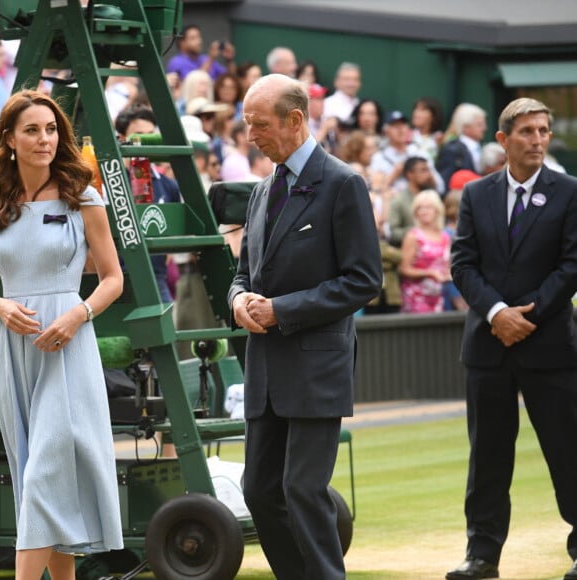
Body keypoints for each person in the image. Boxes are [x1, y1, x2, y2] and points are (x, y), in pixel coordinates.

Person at [228, 74, 382, 579]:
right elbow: (243, 274)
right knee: (257, 491)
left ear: (295, 120)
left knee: (302, 489)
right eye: (247, 124)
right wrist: (238, 300)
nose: (251, 134)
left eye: (259, 124)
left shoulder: (343, 183)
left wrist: (282, 310)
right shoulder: (261, 190)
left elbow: (364, 281)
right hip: (266, 370)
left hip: (317, 367)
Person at [447, 97, 577, 580]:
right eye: (527, 131)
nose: (538, 139)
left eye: (543, 130)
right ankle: (482, 557)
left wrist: (527, 316)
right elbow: (462, 264)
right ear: (502, 140)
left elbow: (572, 265)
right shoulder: (476, 195)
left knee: (569, 451)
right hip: (488, 346)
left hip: (550, 348)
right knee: (487, 459)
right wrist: (498, 314)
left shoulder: (569, 192)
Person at [0, 89, 124, 579]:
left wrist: (78, 314)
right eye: (31, 130)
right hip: (14, 350)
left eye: (51, 129)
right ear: (9, 139)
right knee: (44, 476)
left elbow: (113, 278)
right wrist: (2, 305)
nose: (44, 139)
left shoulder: (82, 194)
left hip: (69, 348)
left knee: (42, 476)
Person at [114, 105, 181, 303]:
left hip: (156, 278)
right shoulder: (109, 182)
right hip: (117, 281)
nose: (144, 142)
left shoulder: (168, 185)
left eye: (150, 135)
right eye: (138, 135)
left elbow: (171, 237)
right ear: (121, 138)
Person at [399, 190, 450, 313]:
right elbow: (404, 269)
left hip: (440, 297)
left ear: (437, 210)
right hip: (416, 297)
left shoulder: (445, 236)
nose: (424, 211)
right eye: (420, 208)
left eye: (428, 207)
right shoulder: (413, 236)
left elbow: (447, 265)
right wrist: (429, 273)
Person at [436, 103, 487, 190]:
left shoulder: (480, 148)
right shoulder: (452, 150)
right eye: (479, 125)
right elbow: (445, 183)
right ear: (466, 127)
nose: (485, 128)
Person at [166, 24, 235, 81]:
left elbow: (230, 79)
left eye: (199, 37)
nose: (199, 41)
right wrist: (211, 58)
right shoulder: (177, 62)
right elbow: (195, 83)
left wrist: (229, 60)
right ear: (182, 43)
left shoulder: (205, 59)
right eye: (193, 38)